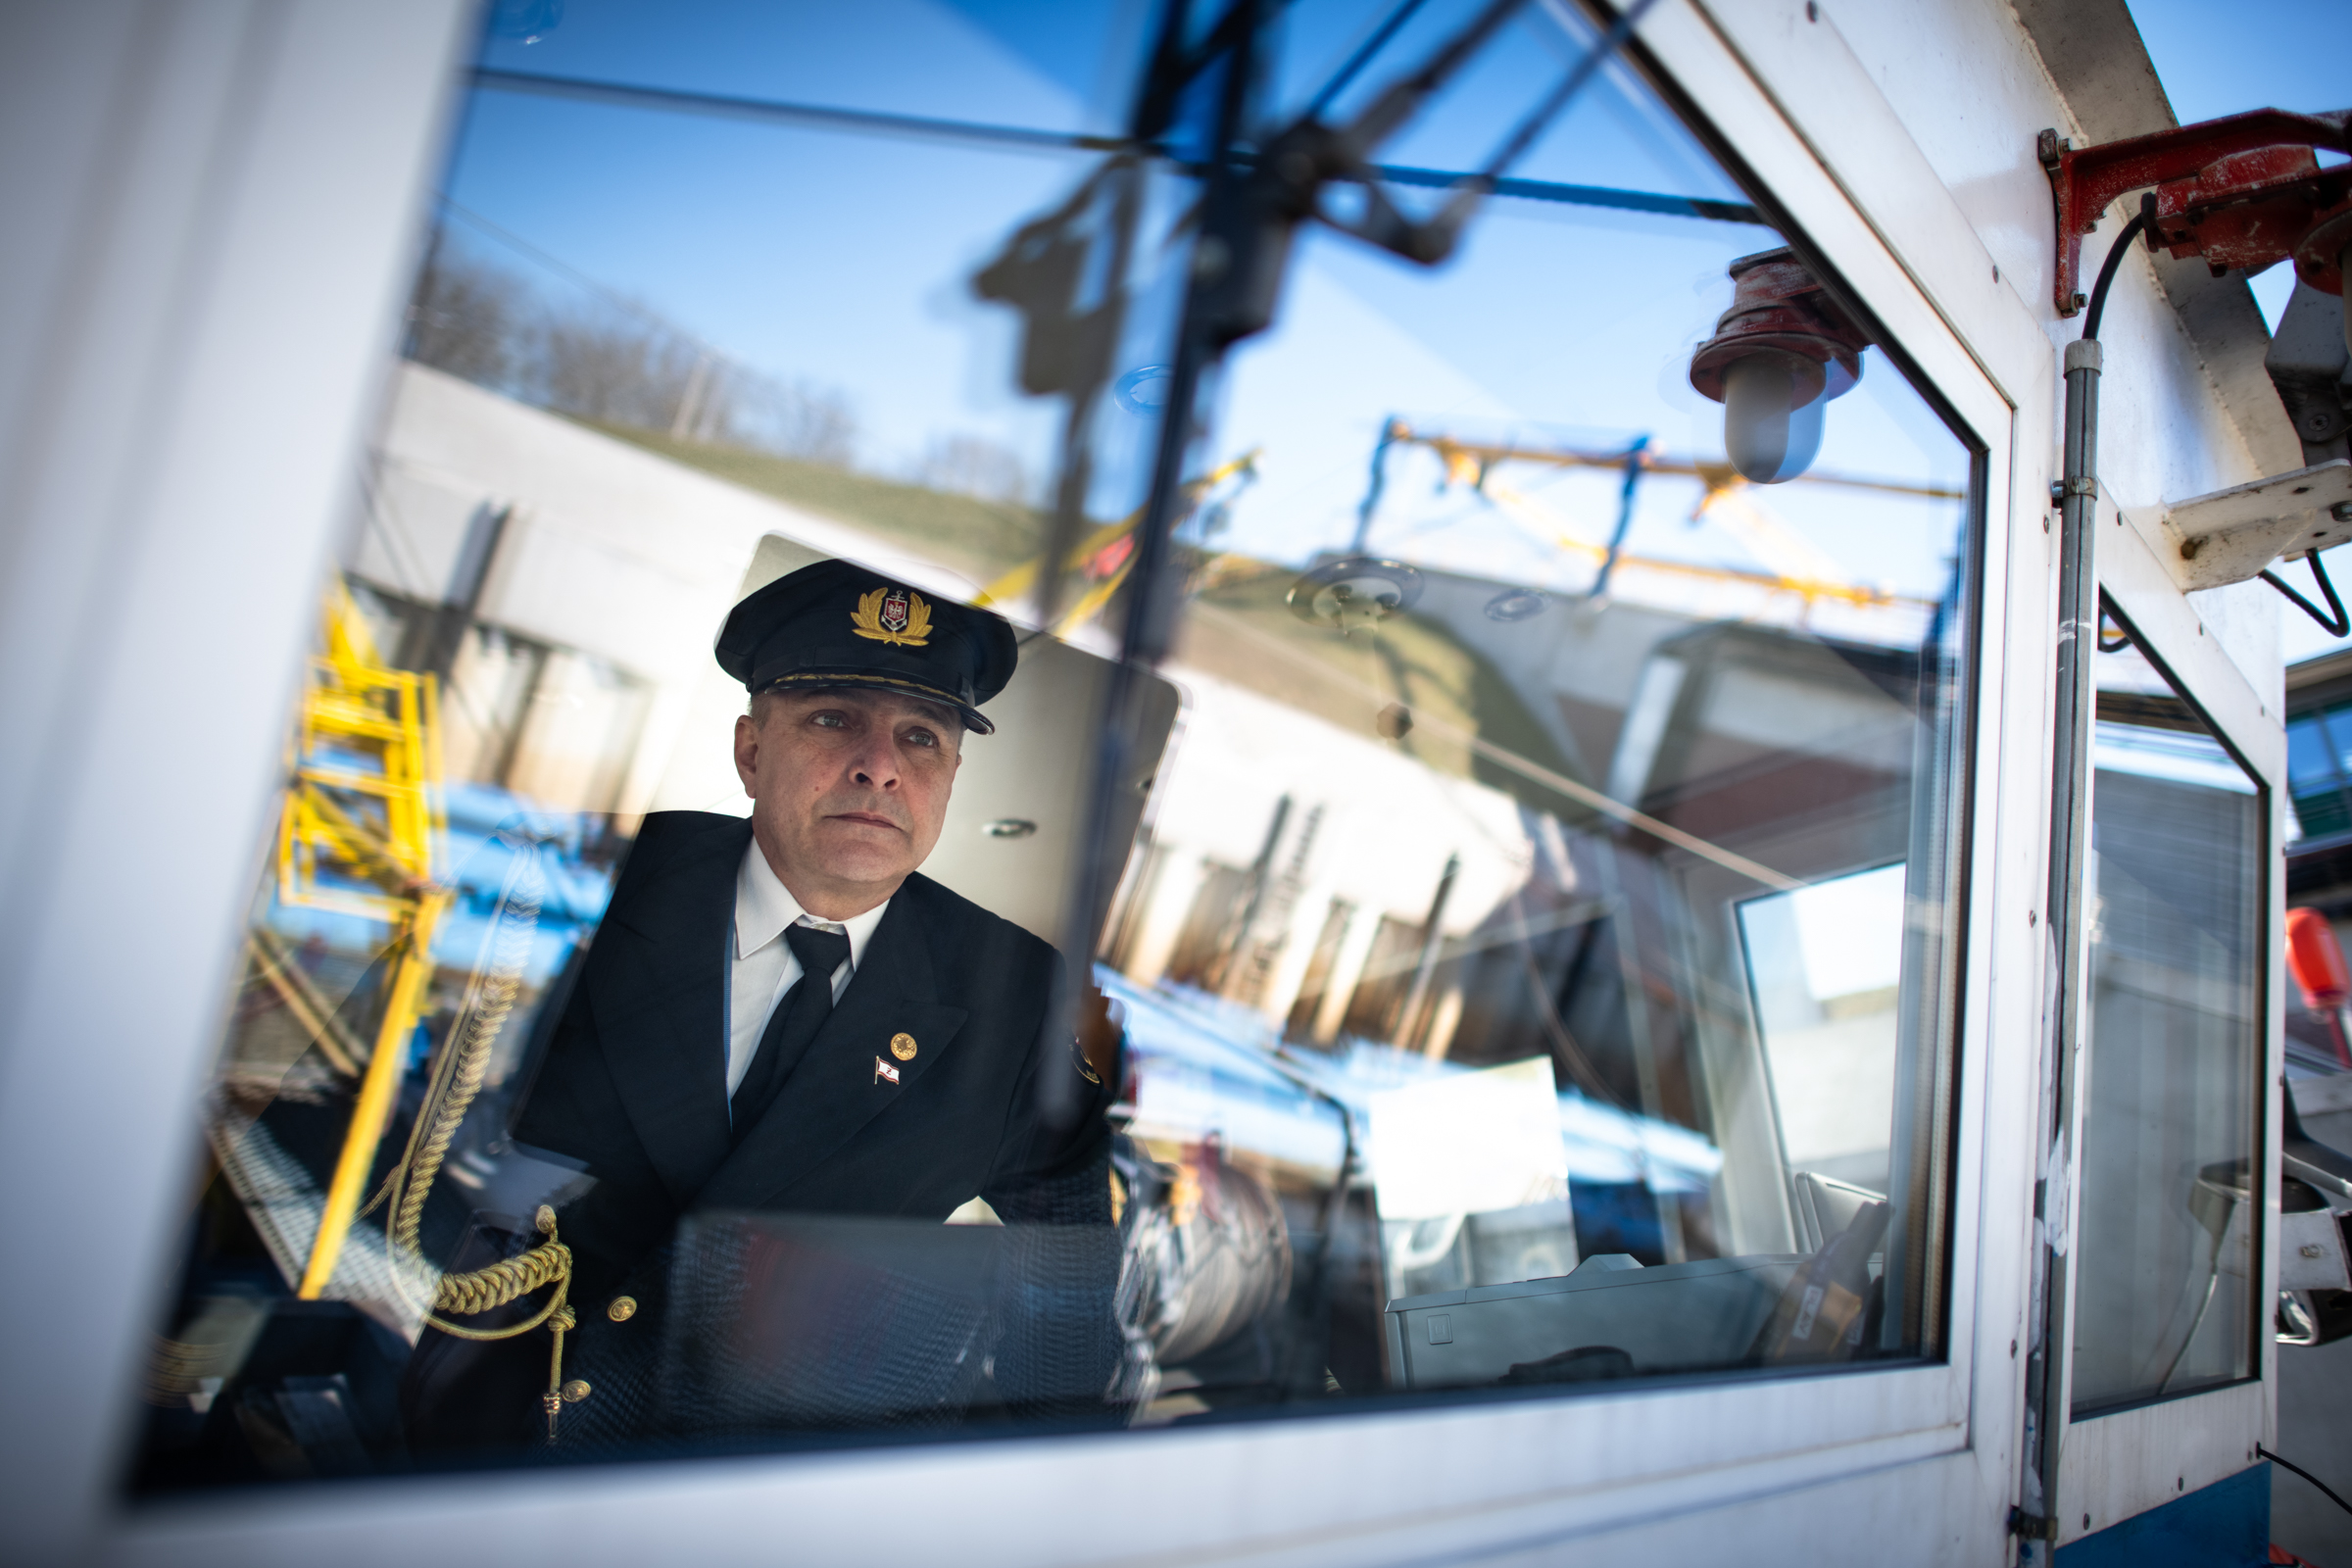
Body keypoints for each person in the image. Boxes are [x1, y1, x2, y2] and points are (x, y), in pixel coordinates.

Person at [402, 558, 1121, 1453]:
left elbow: (1067, 1297)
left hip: (770, 1487)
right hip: (494, 1439)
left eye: (921, 739)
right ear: (750, 752)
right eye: (832, 721)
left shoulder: (1013, 1001)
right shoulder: (598, 896)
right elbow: (421, 1150)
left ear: (950, 777)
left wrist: (1009, 1493)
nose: (878, 769)